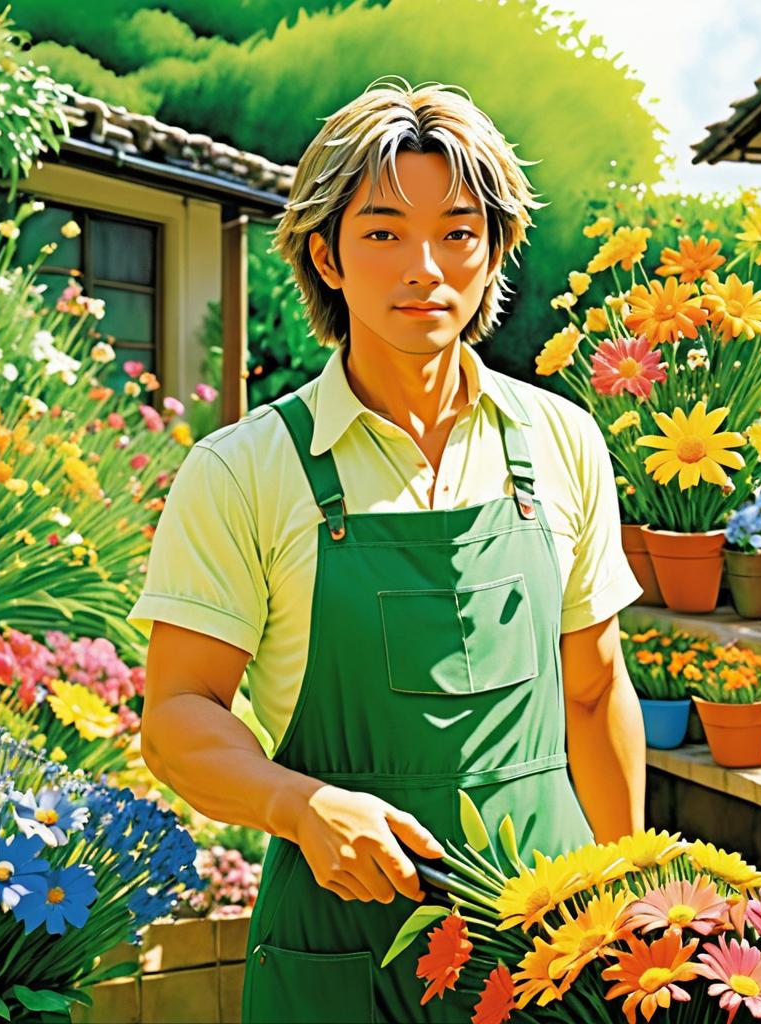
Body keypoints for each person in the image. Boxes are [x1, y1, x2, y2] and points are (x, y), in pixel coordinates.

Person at [130, 75, 647, 1024]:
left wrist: (637, 905)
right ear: (326, 255)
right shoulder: (245, 470)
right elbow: (177, 713)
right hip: (342, 951)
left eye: (457, 232)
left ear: (494, 253)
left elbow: (594, 687)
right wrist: (298, 806)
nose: (426, 268)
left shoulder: (562, 441)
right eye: (382, 233)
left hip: (551, 943)